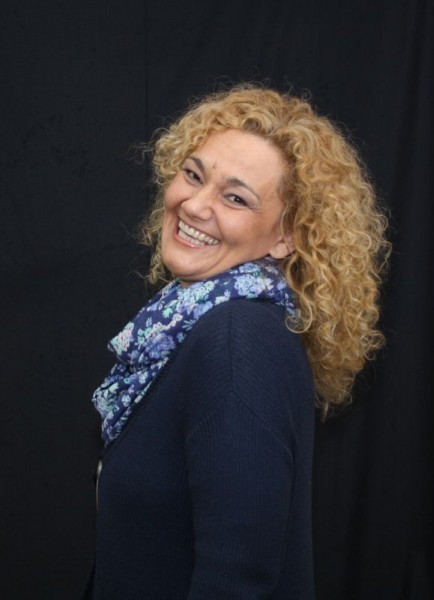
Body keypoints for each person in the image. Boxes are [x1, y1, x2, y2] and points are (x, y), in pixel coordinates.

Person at [87, 85, 389, 599]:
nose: (195, 205)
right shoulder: (198, 323)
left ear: (285, 236)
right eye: (193, 175)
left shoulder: (235, 339)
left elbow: (238, 577)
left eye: (235, 198)